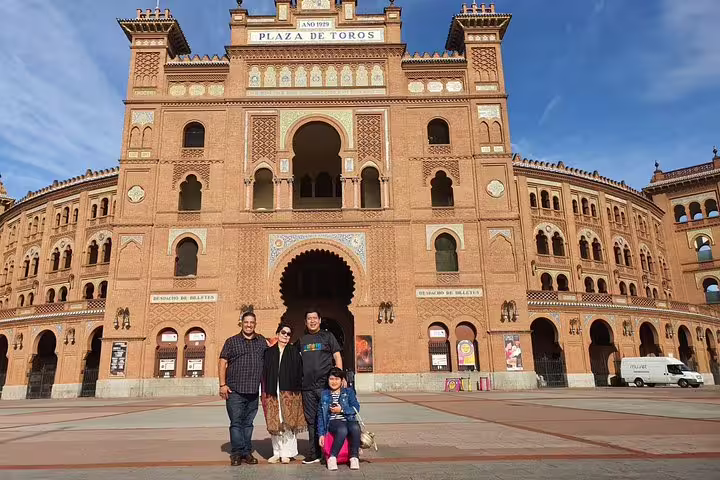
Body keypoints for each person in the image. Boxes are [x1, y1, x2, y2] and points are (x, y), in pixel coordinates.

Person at [219, 312, 267, 466]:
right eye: (246, 322)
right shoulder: (231, 341)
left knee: (248, 423)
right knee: (236, 422)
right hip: (235, 390)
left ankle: (246, 452)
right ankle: (237, 453)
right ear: (241, 323)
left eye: (251, 322)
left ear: (255, 324)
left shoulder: (261, 341)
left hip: (253, 390)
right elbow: (222, 362)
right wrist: (222, 384)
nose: (249, 325)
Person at [296, 308, 343, 464]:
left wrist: (340, 376)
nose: (312, 321)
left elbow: (337, 355)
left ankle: (330, 451)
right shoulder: (302, 340)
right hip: (307, 387)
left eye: (315, 318)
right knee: (311, 420)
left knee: (327, 417)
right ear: (305, 321)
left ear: (320, 320)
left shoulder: (328, 336)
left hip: (325, 386)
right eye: (309, 318)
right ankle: (314, 452)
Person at [262, 322, 306, 464]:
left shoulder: (294, 351)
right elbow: (265, 373)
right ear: (278, 333)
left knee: (288, 423)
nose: (286, 336)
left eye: (288, 334)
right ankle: (277, 452)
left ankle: (287, 452)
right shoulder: (268, 352)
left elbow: (300, 372)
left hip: (289, 393)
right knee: (276, 422)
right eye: (283, 333)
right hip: (272, 392)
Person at [318, 368, 361, 471]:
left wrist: (341, 410)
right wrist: (321, 434)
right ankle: (333, 457)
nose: (334, 382)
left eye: (337, 379)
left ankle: (354, 457)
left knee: (355, 427)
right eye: (331, 379)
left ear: (342, 381)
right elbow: (320, 416)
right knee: (342, 429)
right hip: (332, 422)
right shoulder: (324, 394)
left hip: (348, 419)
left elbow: (356, 408)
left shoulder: (349, 392)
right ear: (328, 380)